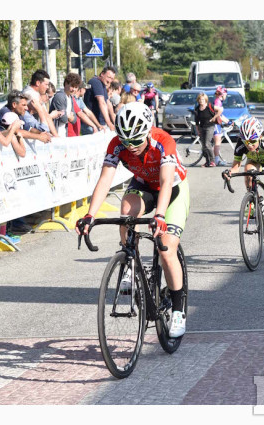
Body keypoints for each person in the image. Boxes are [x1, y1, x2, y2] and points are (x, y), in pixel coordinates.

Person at [76, 102, 190, 338]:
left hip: (173, 189)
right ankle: (129, 261)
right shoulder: (117, 145)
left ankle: (179, 310)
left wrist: (159, 216)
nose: (131, 147)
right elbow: (105, 180)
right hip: (144, 185)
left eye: (136, 141)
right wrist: (90, 215)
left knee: (167, 249)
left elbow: (167, 182)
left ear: (148, 132)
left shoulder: (163, 141)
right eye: (126, 142)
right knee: (126, 211)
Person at [223, 117, 264, 253]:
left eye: (252, 141)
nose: (249, 145)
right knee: (248, 170)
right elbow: (236, 167)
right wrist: (229, 172)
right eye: (246, 142)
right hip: (255, 162)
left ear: (259, 137)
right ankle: (255, 200)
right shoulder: (241, 145)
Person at [22, 69, 59, 137]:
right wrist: (56, 137)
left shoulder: (31, 92)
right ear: (38, 83)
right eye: (46, 84)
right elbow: (46, 117)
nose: (47, 87)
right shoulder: (32, 94)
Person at [84, 66, 116, 131]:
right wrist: (109, 123)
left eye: (112, 79)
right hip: (92, 124)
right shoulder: (96, 82)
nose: (109, 80)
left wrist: (115, 122)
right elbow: (102, 102)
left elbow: (108, 103)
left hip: (99, 124)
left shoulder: (102, 84)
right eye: (108, 77)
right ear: (102, 74)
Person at [50, 72, 81, 138]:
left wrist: (68, 116)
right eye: (72, 86)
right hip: (55, 135)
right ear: (66, 84)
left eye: (76, 87)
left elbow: (74, 120)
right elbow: (63, 119)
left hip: (64, 134)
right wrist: (69, 116)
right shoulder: (60, 96)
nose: (74, 89)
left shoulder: (70, 98)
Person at [192, 92, 216, 167]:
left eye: (202, 99)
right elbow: (196, 121)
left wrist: (214, 118)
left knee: (207, 144)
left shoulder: (209, 106)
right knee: (203, 146)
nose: (201, 101)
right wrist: (198, 130)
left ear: (205, 100)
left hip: (210, 127)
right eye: (199, 99)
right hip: (201, 127)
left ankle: (212, 161)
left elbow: (220, 110)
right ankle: (207, 162)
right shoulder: (197, 109)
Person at [212, 86, 230, 166]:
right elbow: (218, 115)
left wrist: (228, 121)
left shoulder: (218, 101)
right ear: (222, 94)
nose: (226, 96)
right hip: (215, 124)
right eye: (226, 94)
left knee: (217, 142)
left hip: (217, 124)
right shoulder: (218, 102)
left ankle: (216, 159)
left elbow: (221, 115)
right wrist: (227, 121)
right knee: (217, 142)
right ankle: (216, 160)